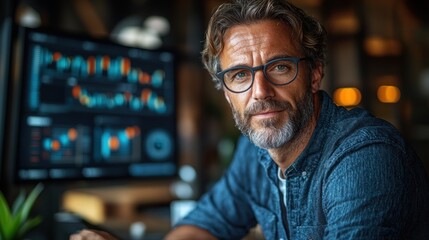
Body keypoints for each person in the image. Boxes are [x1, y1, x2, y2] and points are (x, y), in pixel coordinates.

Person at [71, 0, 429, 239]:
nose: (260, 92)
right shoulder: (256, 149)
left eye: (280, 68)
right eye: (240, 75)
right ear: (226, 91)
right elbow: (204, 225)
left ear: (315, 75)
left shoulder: (364, 158)